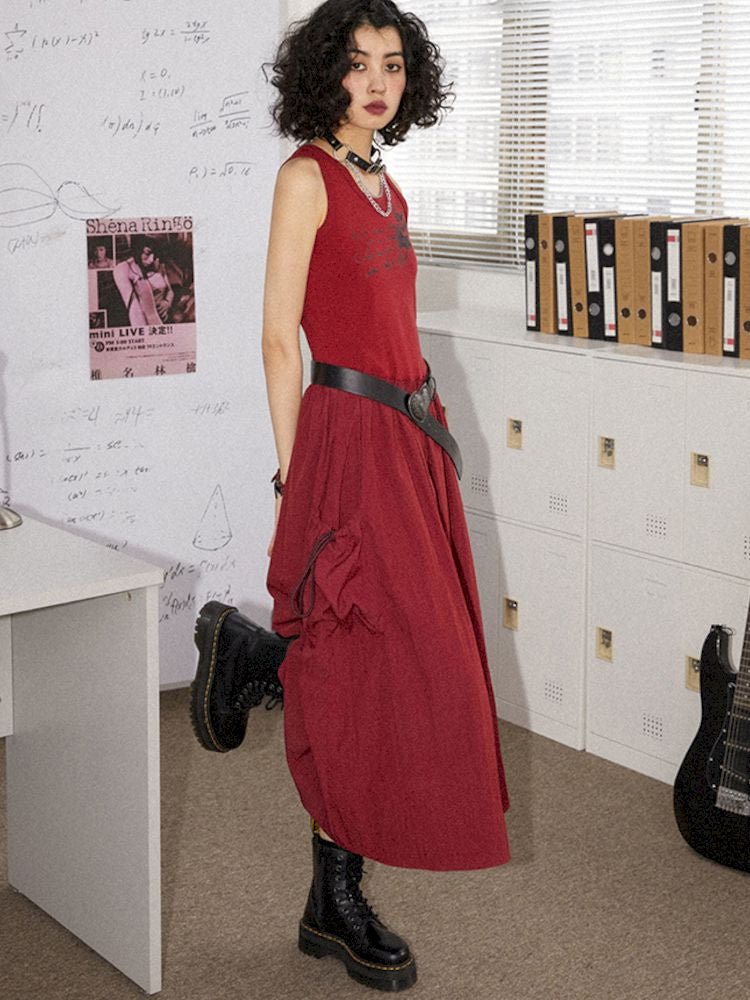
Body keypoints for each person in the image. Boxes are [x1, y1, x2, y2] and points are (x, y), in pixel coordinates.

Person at [191, 0, 510, 992]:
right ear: (325, 72)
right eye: (359, 63)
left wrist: (431, 431)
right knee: (378, 656)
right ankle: (332, 886)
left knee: (390, 662)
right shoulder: (307, 177)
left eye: (394, 65)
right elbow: (277, 337)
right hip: (346, 441)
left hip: (406, 438)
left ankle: (260, 665)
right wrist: (297, 477)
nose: (377, 82)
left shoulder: (384, 182)